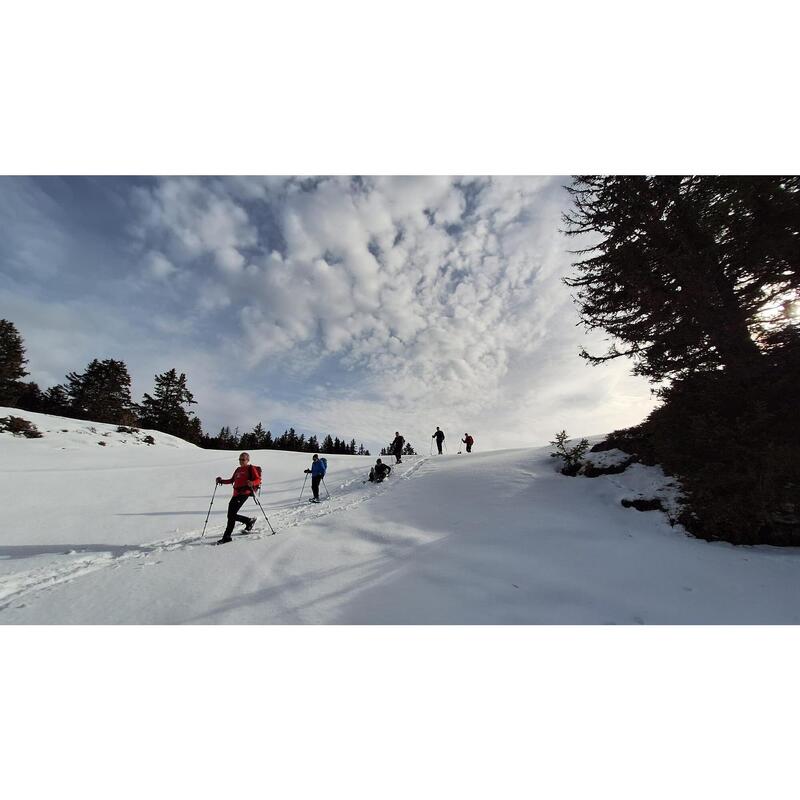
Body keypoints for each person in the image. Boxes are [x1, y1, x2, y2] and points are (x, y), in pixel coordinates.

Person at [215, 452, 261, 545]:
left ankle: (227, 537)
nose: (241, 461)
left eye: (243, 459)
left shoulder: (250, 468)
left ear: (248, 460)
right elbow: (231, 480)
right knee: (230, 515)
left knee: (231, 515)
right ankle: (249, 521)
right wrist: (221, 481)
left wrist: (252, 483)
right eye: (240, 459)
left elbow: (258, 480)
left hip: (244, 493)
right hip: (235, 494)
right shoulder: (238, 469)